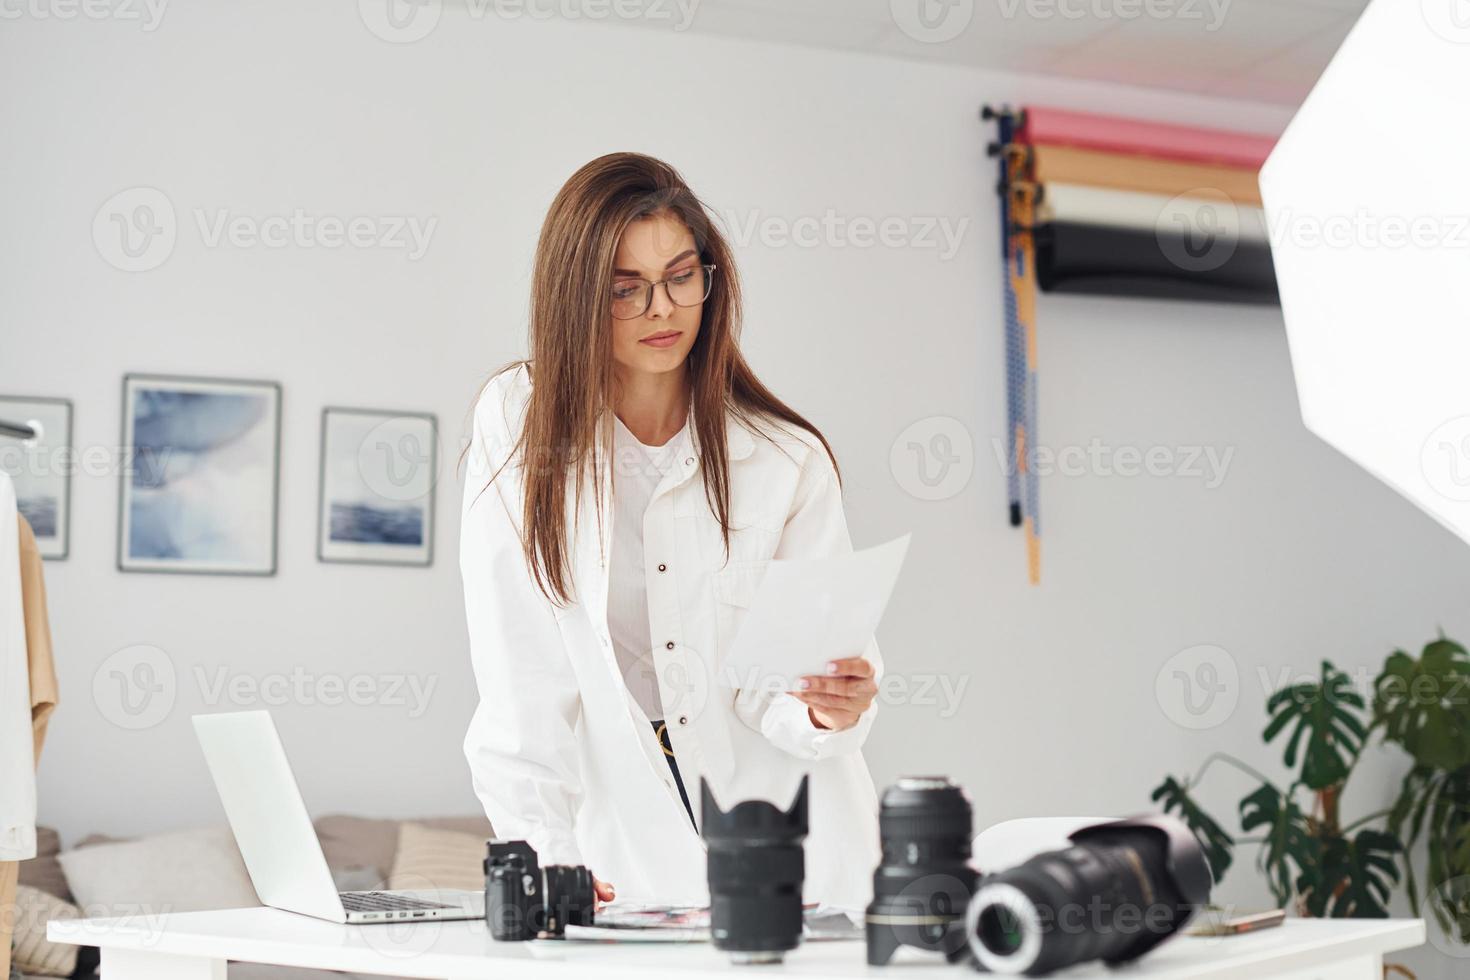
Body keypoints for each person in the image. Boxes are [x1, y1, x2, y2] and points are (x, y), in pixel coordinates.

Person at [459, 152, 881, 911]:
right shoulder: (520, 422)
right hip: (630, 843)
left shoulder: (787, 458)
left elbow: (789, 678)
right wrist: (547, 861)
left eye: (682, 276)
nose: (662, 309)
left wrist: (827, 705)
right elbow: (520, 673)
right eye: (625, 289)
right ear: (576, 297)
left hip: (797, 843)